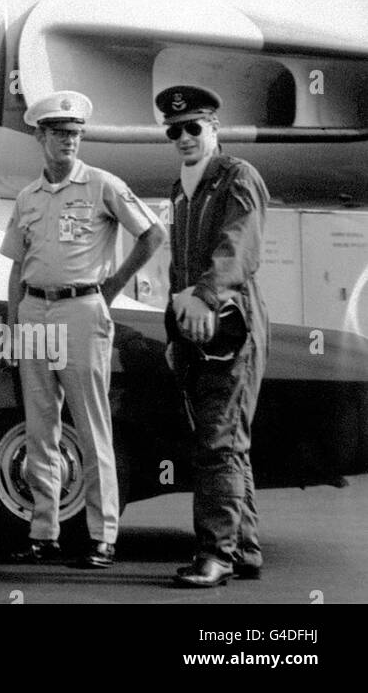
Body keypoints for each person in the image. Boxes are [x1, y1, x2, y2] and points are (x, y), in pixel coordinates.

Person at [0, 90, 165, 568]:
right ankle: (44, 531)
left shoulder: (102, 185)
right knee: (39, 428)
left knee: (92, 426)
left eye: (75, 133)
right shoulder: (28, 197)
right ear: (41, 137)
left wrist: (111, 286)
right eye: (59, 133)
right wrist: (14, 327)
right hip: (34, 309)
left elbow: (153, 234)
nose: (69, 141)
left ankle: (102, 535)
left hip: (81, 310)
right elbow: (17, 266)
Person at [156, 85, 269, 588]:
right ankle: (243, 548)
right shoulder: (183, 186)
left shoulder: (236, 177)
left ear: (215, 128)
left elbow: (238, 246)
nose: (182, 137)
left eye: (192, 128)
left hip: (229, 321)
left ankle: (215, 554)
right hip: (195, 326)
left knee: (218, 443)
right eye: (174, 130)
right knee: (227, 442)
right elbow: (177, 262)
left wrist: (203, 295)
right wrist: (174, 328)